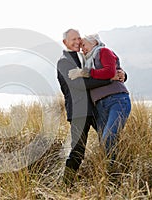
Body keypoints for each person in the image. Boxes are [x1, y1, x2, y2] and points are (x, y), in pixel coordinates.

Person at [56, 29, 126, 185]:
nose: (77, 42)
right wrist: (110, 79)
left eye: (78, 39)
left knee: (109, 140)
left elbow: (104, 68)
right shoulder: (63, 61)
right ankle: (65, 185)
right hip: (79, 112)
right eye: (72, 39)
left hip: (95, 108)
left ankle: (113, 178)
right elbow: (78, 85)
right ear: (65, 42)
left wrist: (122, 74)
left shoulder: (86, 56)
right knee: (78, 151)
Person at [69, 33, 131, 162]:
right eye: (80, 46)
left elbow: (110, 71)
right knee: (104, 141)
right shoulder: (86, 62)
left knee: (109, 137)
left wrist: (85, 72)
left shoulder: (103, 51)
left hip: (116, 99)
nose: (82, 48)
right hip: (99, 105)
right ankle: (113, 170)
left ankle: (113, 170)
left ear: (95, 43)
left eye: (84, 44)